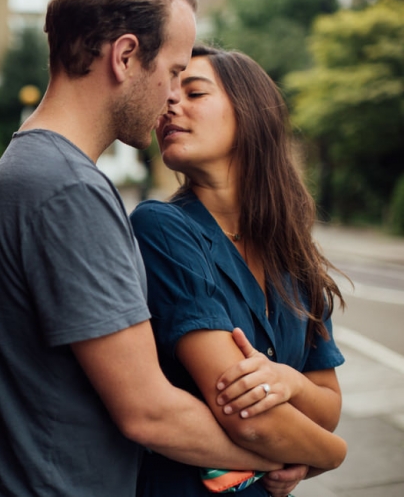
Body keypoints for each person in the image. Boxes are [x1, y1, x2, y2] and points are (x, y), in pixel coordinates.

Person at [0, 0, 285, 496]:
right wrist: (284, 455)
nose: (173, 93)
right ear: (124, 57)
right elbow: (150, 413)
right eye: (175, 70)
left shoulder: (42, 172)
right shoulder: (67, 189)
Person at [130, 45, 349, 497]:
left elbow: (328, 406)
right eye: (169, 92)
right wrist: (331, 456)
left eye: (194, 92)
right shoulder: (163, 228)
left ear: (249, 114)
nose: (170, 102)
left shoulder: (293, 252)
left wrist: (288, 381)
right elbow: (248, 418)